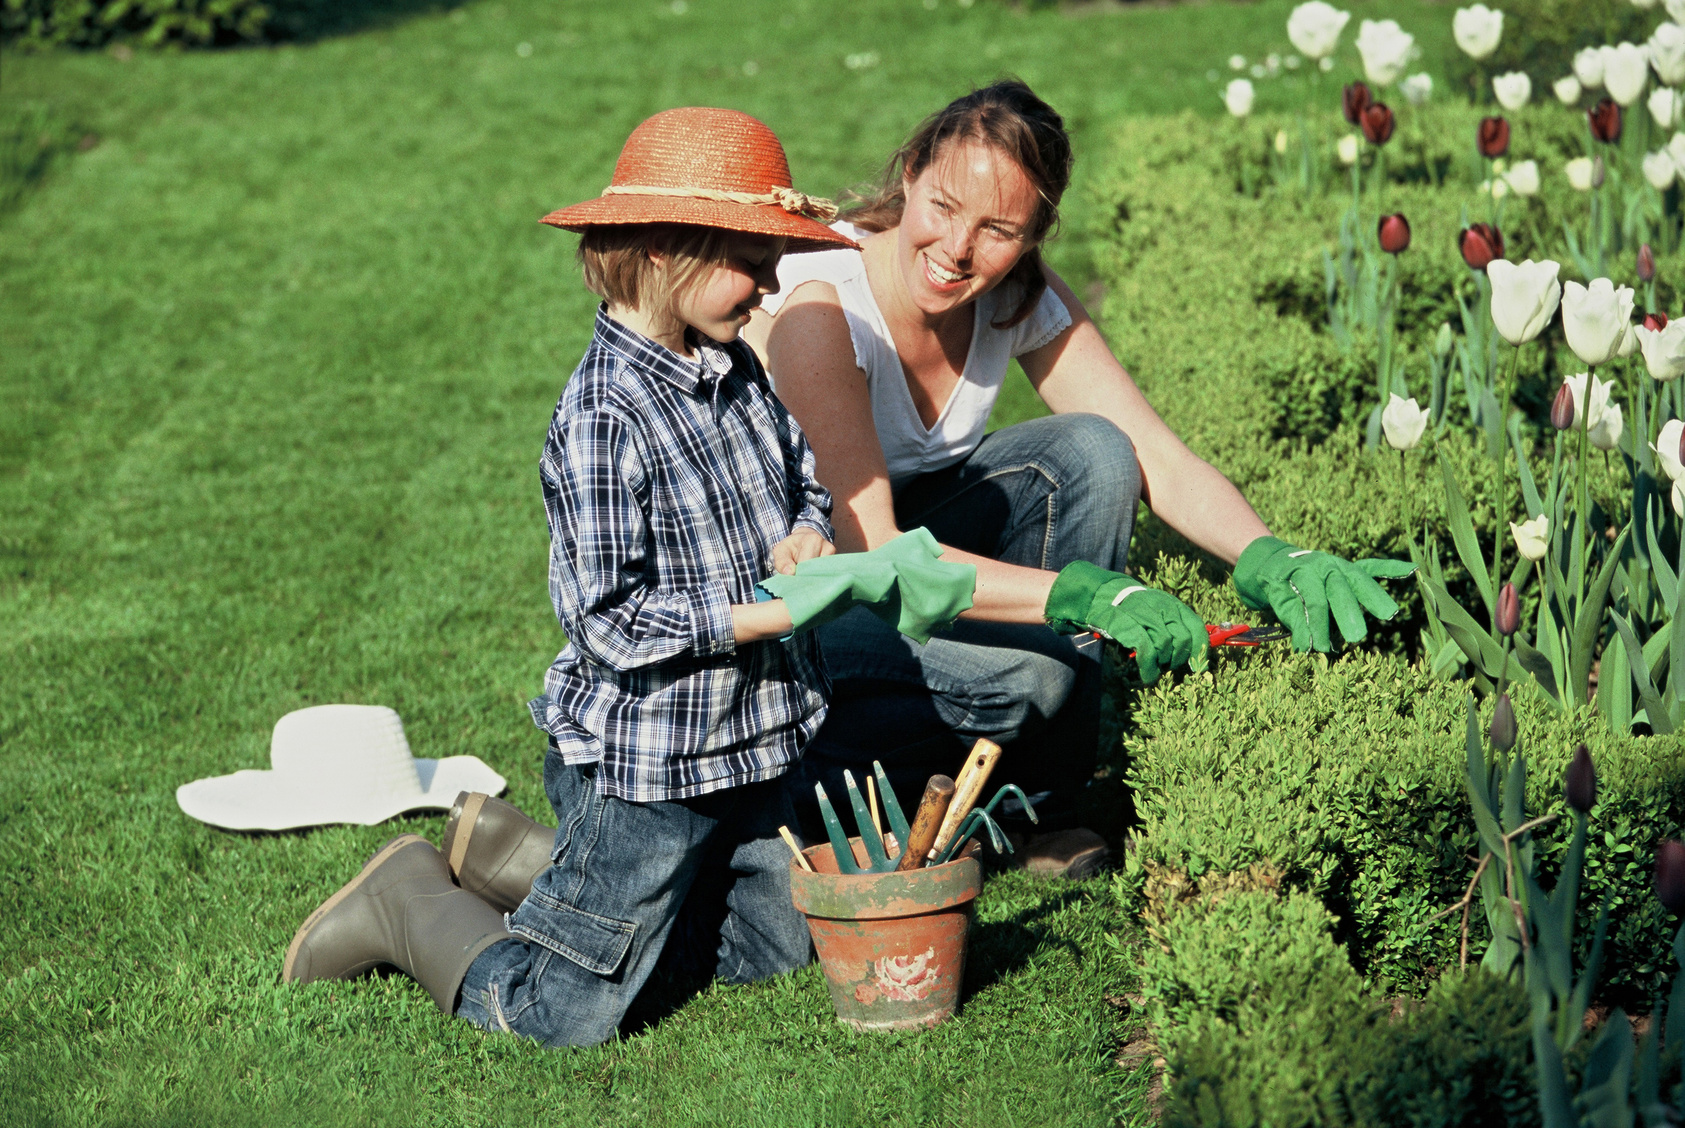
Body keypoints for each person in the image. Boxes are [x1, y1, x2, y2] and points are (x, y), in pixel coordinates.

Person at [282, 107, 866, 1046]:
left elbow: (803, 478)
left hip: (756, 737)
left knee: (775, 947)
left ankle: (536, 873)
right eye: (751, 260)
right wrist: (748, 622)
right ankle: (407, 904)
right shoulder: (603, 417)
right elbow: (608, 621)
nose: (768, 285)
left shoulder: (735, 366)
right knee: (565, 1016)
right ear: (668, 252)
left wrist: (803, 537)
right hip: (652, 764)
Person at [744, 80, 1411, 872]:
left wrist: (1270, 555)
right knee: (1026, 681)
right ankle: (807, 801)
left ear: (1033, 234)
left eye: (997, 230)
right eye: (945, 207)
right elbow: (871, 544)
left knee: (1094, 450)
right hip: (804, 590)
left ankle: (1040, 810)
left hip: (908, 560)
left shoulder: (1015, 294)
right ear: (912, 172)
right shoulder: (826, 306)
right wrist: (1082, 596)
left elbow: (1150, 452)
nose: (958, 251)